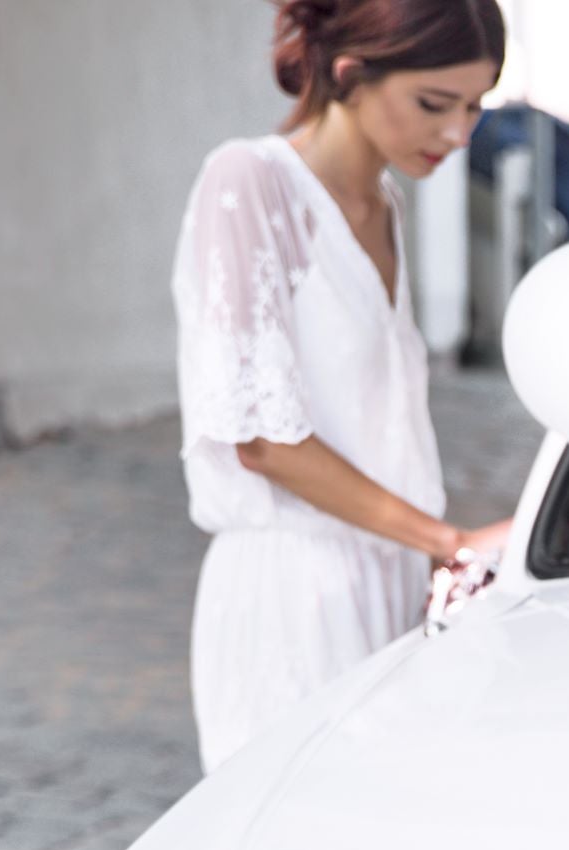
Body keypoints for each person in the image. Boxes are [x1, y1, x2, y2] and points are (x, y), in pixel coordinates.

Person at [172, 0, 510, 773]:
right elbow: (260, 436)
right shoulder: (249, 181)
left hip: (389, 570)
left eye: (475, 107)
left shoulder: (384, 204)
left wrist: (425, 553)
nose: (459, 134)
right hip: (294, 592)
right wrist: (448, 542)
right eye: (435, 104)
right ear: (352, 73)